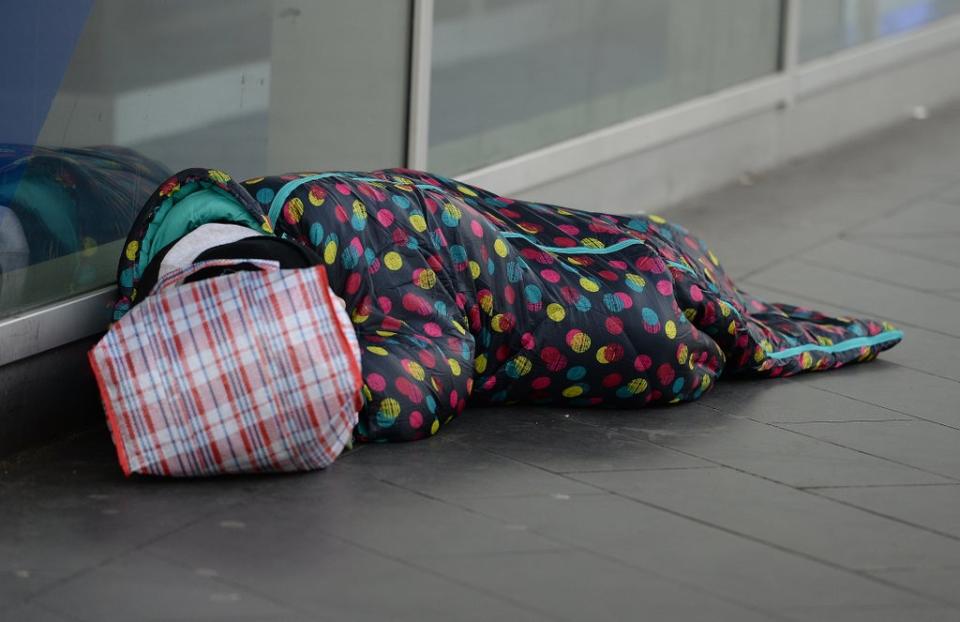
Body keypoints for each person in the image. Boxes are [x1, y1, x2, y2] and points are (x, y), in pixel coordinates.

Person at [114, 167, 902, 444]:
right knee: (644, 287)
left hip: (575, 291)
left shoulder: (344, 243)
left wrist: (335, 396)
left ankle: (718, 312)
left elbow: (432, 364)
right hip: (523, 251)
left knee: (657, 345)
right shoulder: (292, 208)